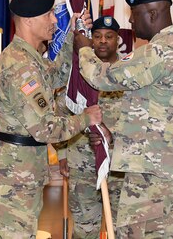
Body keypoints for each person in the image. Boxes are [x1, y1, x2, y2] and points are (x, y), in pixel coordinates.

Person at [74, 0, 173, 238]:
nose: (131, 20)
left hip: (155, 175)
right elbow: (155, 113)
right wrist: (116, 137)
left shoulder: (160, 51)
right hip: (169, 166)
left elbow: (104, 77)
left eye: (135, 13)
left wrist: (84, 48)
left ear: (153, 14)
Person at [0, 0, 102, 239]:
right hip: (13, 176)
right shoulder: (22, 67)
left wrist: (72, 35)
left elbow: (57, 75)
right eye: (48, 14)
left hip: (20, 170)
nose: (54, 20)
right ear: (28, 20)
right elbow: (46, 129)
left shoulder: (28, 57)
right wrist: (86, 118)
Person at [56, 16, 125, 239]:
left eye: (109, 36)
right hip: (82, 164)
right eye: (96, 36)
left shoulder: (128, 72)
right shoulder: (78, 73)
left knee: (123, 229)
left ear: (118, 39)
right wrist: (63, 153)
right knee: (85, 231)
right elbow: (60, 113)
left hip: (120, 167)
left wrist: (114, 136)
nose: (102, 41)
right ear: (90, 41)